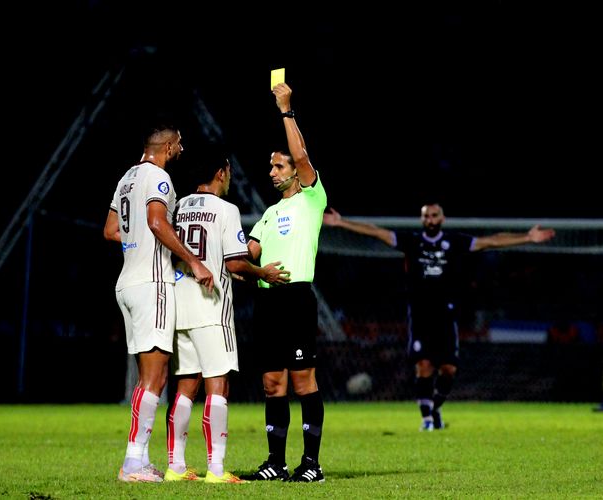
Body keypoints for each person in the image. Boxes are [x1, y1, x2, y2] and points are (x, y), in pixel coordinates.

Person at [323, 204, 556, 431]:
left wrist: (527, 237)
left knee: (448, 369)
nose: (430, 220)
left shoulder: (455, 242)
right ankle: (427, 419)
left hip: (446, 315)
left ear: (442, 218)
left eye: (434, 215)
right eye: (426, 216)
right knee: (424, 366)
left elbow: (492, 240)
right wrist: (341, 222)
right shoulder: (413, 241)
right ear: (422, 219)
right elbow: (376, 231)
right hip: (421, 316)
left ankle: (434, 408)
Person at [165, 145, 290, 484]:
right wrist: (263, 273)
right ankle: (216, 470)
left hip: (180, 303)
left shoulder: (179, 207)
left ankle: (175, 467)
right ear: (221, 173)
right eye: (229, 171)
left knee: (185, 386)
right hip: (211, 305)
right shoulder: (225, 209)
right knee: (218, 385)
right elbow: (235, 262)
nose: (230, 177)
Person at [104, 123, 214, 483]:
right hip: (152, 283)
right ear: (167, 147)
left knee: (146, 376)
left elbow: (110, 230)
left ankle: (138, 459)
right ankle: (134, 462)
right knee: (155, 377)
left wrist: (136, 238)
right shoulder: (159, 178)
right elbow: (155, 221)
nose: (181, 150)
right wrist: (192, 260)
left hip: (126, 283)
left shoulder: (126, 179)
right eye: (179, 144)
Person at [240, 83, 328, 483]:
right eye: (271, 167)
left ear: (294, 169)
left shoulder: (312, 198)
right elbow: (245, 258)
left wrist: (286, 110)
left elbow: (304, 154)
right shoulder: (269, 214)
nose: (272, 171)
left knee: (302, 380)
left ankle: (311, 464)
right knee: (272, 383)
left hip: (295, 299)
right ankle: (276, 462)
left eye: (279, 166)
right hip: (267, 303)